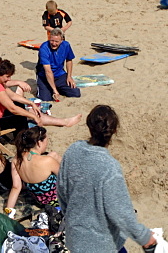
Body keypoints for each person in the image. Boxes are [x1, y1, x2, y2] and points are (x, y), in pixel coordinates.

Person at [58, 105, 157, 253]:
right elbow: (120, 212)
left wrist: (72, 218)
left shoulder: (72, 151)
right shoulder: (109, 168)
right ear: (114, 131)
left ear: (89, 125)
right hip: (102, 245)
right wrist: (144, 237)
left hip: (75, 238)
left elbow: (62, 190)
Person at [0, 59, 80, 130]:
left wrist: (31, 103)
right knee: (20, 116)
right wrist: (32, 115)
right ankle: (22, 141)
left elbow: (13, 96)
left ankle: (63, 122)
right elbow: (12, 108)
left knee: (20, 106)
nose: (9, 79)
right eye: (7, 76)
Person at [6, 126, 61, 212]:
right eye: (46, 141)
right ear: (39, 143)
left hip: (41, 201)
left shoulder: (16, 160)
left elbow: (16, 187)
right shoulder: (47, 161)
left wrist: (9, 212)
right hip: (58, 200)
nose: (47, 144)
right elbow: (67, 179)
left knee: (53, 154)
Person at [37, 30, 81, 102]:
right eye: (52, 41)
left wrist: (69, 76)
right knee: (45, 99)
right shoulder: (44, 48)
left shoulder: (66, 45)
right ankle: (52, 88)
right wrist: (55, 90)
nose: (54, 43)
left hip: (59, 74)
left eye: (56, 41)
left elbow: (69, 60)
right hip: (44, 76)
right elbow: (48, 71)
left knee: (76, 93)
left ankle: (57, 88)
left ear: (62, 40)